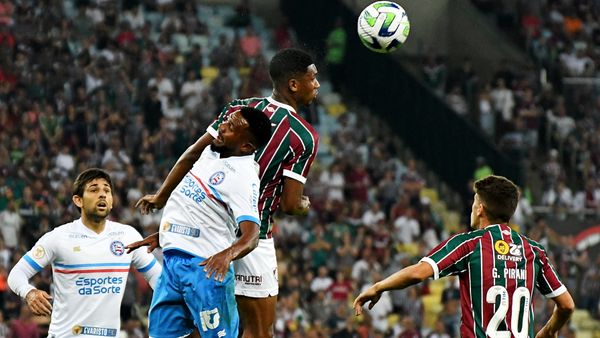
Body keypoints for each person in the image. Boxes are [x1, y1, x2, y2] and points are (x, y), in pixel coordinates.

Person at [129, 48, 320, 337]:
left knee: (196, 325)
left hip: (210, 233)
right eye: (313, 78)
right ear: (293, 84)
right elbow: (291, 204)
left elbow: (193, 153)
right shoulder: (303, 136)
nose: (317, 85)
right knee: (258, 330)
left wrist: (161, 196)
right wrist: (305, 204)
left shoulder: (239, 108)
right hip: (255, 235)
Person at [353, 175, 575, 338]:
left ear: (480, 208)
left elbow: (419, 273)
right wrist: (548, 331)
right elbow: (566, 305)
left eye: (474, 202)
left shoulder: (470, 244)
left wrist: (379, 286)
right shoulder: (534, 251)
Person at [147, 106, 271, 338]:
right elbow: (198, 207)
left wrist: (228, 254)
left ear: (246, 146)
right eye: (226, 121)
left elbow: (252, 236)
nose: (222, 127)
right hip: (173, 265)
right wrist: (162, 234)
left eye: (231, 127)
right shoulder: (213, 151)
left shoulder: (243, 177)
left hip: (205, 271)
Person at [7, 168, 162, 338]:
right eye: (94, 190)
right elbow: (17, 273)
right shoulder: (58, 237)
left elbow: (158, 278)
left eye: (107, 190)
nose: (102, 194)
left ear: (111, 201)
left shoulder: (128, 236)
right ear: (78, 200)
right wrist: (29, 292)